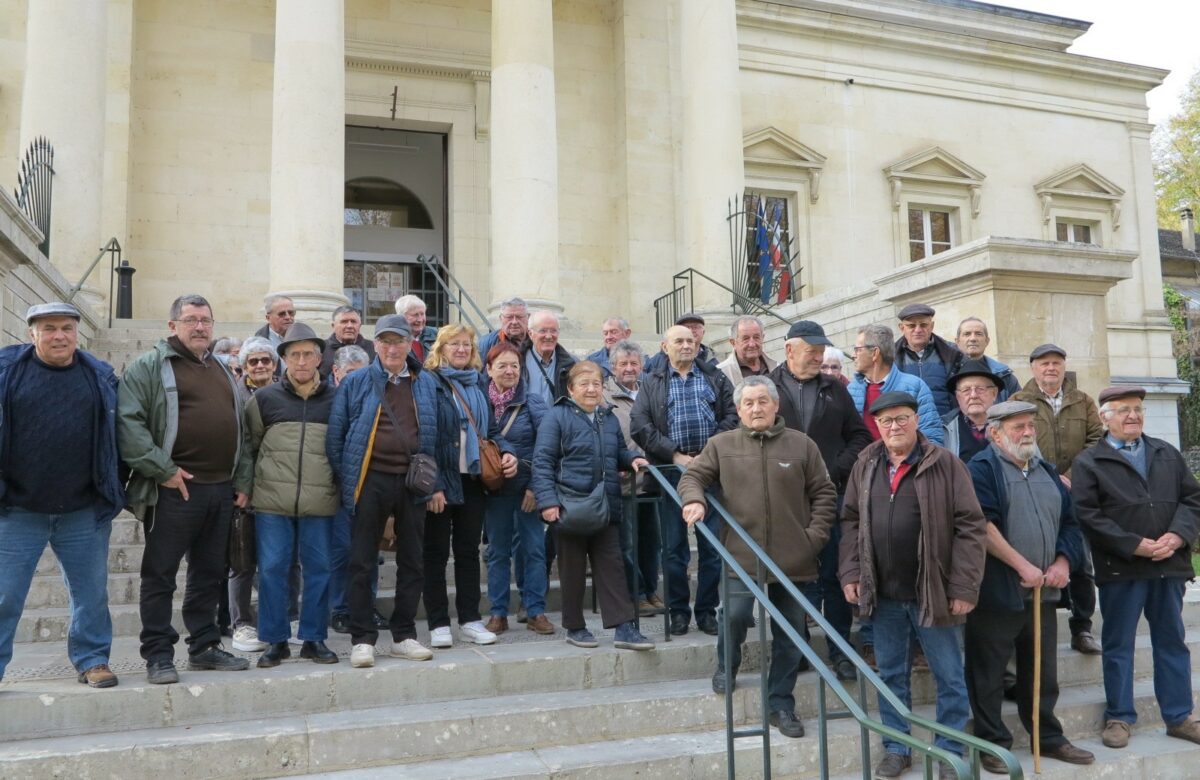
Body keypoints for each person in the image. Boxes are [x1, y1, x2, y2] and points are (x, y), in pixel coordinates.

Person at [839, 391, 987, 779]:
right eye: (886, 421)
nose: (894, 427)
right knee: (890, 675)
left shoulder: (946, 464)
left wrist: (964, 587)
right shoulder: (866, 463)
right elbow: (851, 520)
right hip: (883, 593)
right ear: (877, 425)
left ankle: (951, 751)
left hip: (935, 591)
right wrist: (851, 572)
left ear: (916, 420)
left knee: (950, 677)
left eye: (902, 418)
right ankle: (896, 746)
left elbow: (971, 527)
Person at [679, 376, 837, 739]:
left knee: (792, 633)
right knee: (733, 616)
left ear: (775, 405)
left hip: (794, 559)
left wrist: (812, 539)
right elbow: (693, 477)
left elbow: (825, 494)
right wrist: (694, 500)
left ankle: (780, 701)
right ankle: (726, 665)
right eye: (748, 403)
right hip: (740, 555)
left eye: (763, 401)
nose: (756, 408)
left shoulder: (803, 445)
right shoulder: (721, 444)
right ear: (738, 410)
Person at [118, 294, 252, 684]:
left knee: (209, 573)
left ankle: (205, 646)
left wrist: (241, 480)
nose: (200, 327)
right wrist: (163, 470)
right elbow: (129, 424)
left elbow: (241, 428)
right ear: (172, 326)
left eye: (206, 320)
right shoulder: (149, 367)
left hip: (220, 491)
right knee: (159, 575)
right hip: (173, 491)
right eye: (191, 320)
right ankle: (158, 654)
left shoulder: (222, 368)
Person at [964, 400, 1094, 771]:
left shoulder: (1047, 471)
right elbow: (981, 525)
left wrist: (1062, 562)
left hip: (1044, 591)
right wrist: (1022, 565)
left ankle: (1047, 737)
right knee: (987, 673)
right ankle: (991, 743)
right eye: (1017, 427)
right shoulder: (981, 469)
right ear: (995, 433)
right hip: (996, 592)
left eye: (1030, 426)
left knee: (1042, 672)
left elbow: (1069, 522)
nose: (1026, 433)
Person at [0, 303, 124, 689]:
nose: (59, 336)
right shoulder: (6, 373)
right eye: (49, 328)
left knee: (91, 595)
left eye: (66, 328)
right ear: (32, 333)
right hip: (18, 508)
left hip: (82, 509)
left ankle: (93, 659)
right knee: (4, 597)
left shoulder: (99, 377)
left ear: (77, 333)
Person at [1071, 385, 1200, 750]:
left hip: (1168, 566)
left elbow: (1192, 499)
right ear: (1104, 417)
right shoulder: (1088, 462)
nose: (1133, 416)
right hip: (1122, 569)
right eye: (1124, 409)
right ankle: (1119, 717)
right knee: (1118, 644)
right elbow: (1087, 514)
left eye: (1138, 409)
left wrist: (1177, 536)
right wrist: (1133, 545)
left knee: (1172, 641)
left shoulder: (1166, 453)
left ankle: (1178, 716)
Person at [326, 314, 439, 668]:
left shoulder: (426, 382)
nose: (392, 348)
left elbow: (439, 435)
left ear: (410, 344)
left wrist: (438, 484)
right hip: (369, 480)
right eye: (385, 341)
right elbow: (336, 436)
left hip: (412, 482)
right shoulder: (357, 381)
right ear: (375, 345)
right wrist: (349, 480)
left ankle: (404, 634)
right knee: (360, 560)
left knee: (412, 560)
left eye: (399, 341)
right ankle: (362, 638)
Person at [768, 320, 871, 681]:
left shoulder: (835, 389)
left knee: (835, 574)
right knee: (794, 578)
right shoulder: (768, 388)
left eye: (820, 350)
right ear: (788, 350)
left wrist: (835, 469)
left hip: (832, 497)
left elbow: (858, 436)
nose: (817, 356)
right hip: (785, 502)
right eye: (811, 350)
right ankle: (796, 648)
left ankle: (840, 649)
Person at [531, 361, 652, 650]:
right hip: (569, 504)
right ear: (571, 389)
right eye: (584, 384)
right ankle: (575, 626)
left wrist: (630, 459)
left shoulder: (607, 417)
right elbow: (542, 462)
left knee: (612, 566)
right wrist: (547, 502)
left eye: (596, 383)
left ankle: (624, 627)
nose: (591, 389)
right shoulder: (556, 417)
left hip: (605, 503)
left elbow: (617, 450)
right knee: (571, 569)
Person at [240, 323, 339, 667]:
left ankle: (314, 638)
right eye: (294, 354)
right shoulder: (265, 399)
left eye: (308, 353)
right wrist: (245, 488)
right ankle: (275, 640)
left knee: (319, 569)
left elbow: (342, 448)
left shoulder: (336, 398)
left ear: (319, 358)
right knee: (271, 569)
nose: (301, 360)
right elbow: (248, 448)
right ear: (283, 359)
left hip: (321, 500)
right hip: (271, 502)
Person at [632, 325, 737, 636]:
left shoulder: (715, 376)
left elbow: (732, 416)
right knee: (674, 549)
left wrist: (708, 453)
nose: (686, 346)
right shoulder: (651, 382)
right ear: (665, 346)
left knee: (711, 548)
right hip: (670, 473)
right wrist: (674, 455)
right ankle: (679, 611)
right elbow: (640, 425)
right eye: (679, 341)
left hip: (711, 472)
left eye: (691, 340)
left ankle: (706, 611)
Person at [424, 324, 518, 648]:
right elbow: (424, 434)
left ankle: (469, 619)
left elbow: (491, 429)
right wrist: (432, 483)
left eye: (466, 344)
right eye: (454, 344)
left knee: (467, 552)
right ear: (441, 349)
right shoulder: (430, 382)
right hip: (442, 480)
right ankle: (438, 623)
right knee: (435, 553)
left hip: (473, 480)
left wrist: (507, 452)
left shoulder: (477, 383)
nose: (461, 349)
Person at [1012, 343, 1104, 655]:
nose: (1050, 368)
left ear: (1064, 367)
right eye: (1044, 364)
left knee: (1080, 560)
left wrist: (1072, 476)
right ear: (1033, 368)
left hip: (1075, 490)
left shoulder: (1083, 401)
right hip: (1034, 488)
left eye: (1056, 363)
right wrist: (1050, 475)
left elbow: (1096, 440)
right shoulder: (1018, 401)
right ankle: (1032, 628)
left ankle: (1082, 627)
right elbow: (1013, 440)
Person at [227, 337, 300, 653]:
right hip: (244, 491)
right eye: (253, 362)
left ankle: (291, 618)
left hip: (282, 489)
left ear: (275, 364)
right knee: (242, 561)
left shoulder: (288, 393)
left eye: (265, 361)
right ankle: (241, 623)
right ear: (243, 366)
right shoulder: (233, 396)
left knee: (289, 560)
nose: (259, 366)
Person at [481, 341, 552, 635]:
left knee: (534, 550)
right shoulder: (479, 403)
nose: (509, 371)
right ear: (488, 369)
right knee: (497, 552)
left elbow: (547, 449)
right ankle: (498, 612)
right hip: (493, 490)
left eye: (514, 366)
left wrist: (537, 488)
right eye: (502, 365)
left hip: (527, 490)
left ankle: (535, 610)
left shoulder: (533, 402)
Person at [602, 339, 662, 617]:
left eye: (634, 363)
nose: (629, 368)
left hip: (652, 479)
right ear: (613, 367)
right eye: (623, 363)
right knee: (626, 543)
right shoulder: (604, 396)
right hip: (624, 480)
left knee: (652, 542)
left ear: (642, 366)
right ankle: (635, 593)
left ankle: (651, 590)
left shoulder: (651, 390)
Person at [326, 344, 375, 634]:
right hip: (336, 486)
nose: (356, 379)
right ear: (336, 372)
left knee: (368, 551)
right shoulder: (327, 397)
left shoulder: (374, 394)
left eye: (362, 373)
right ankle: (341, 608)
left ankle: (365, 606)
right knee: (342, 550)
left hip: (370, 485)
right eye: (349, 374)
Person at [847, 323, 942, 444]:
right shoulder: (851, 390)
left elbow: (931, 436)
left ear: (875, 353)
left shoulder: (914, 386)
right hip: (865, 462)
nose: (853, 355)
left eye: (858, 350)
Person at [893, 303, 964, 417]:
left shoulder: (953, 353)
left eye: (923, 325)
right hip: (906, 426)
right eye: (911, 326)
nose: (918, 330)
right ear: (902, 328)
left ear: (932, 326)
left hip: (947, 425)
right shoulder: (890, 357)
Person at [942, 359, 1003, 462]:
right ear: (958, 397)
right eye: (966, 390)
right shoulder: (943, 429)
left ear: (994, 393)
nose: (973, 395)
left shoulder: (1010, 424)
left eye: (980, 389)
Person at [954, 317, 1019, 401]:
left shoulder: (1004, 376)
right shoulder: (945, 373)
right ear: (957, 341)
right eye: (967, 334)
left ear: (987, 341)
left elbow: (1018, 408)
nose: (973, 338)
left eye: (978, 334)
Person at [522, 310, 575, 407]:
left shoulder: (571, 364)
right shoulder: (518, 361)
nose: (549, 336)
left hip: (558, 421)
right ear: (530, 334)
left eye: (553, 331)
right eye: (543, 331)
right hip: (526, 421)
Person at [716, 315, 776, 386]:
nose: (752, 344)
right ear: (733, 342)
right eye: (745, 339)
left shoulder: (776, 367)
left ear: (762, 338)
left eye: (756, 337)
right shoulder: (720, 374)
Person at [645, 313, 718, 372]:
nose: (690, 330)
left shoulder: (711, 359)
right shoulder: (658, 360)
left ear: (703, 332)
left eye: (695, 327)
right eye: (686, 327)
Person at [318, 305, 375, 378]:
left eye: (353, 321)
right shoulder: (321, 349)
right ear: (333, 326)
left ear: (360, 326)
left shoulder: (373, 348)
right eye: (344, 322)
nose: (349, 326)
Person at [394, 294, 437, 362]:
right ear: (401, 317)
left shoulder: (437, 335)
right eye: (415, 315)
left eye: (422, 314)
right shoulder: (393, 338)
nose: (420, 320)